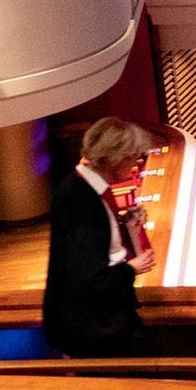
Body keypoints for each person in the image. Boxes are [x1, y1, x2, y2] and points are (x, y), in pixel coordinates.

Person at [44, 117, 161, 358]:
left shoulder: (81, 187)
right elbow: (86, 280)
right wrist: (131, 269)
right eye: (133, 157)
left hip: (100, 318)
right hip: (95, 328)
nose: (135, 164)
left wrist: (123, 222)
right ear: (115, 158)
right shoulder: (80, 201)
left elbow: (91, 246)